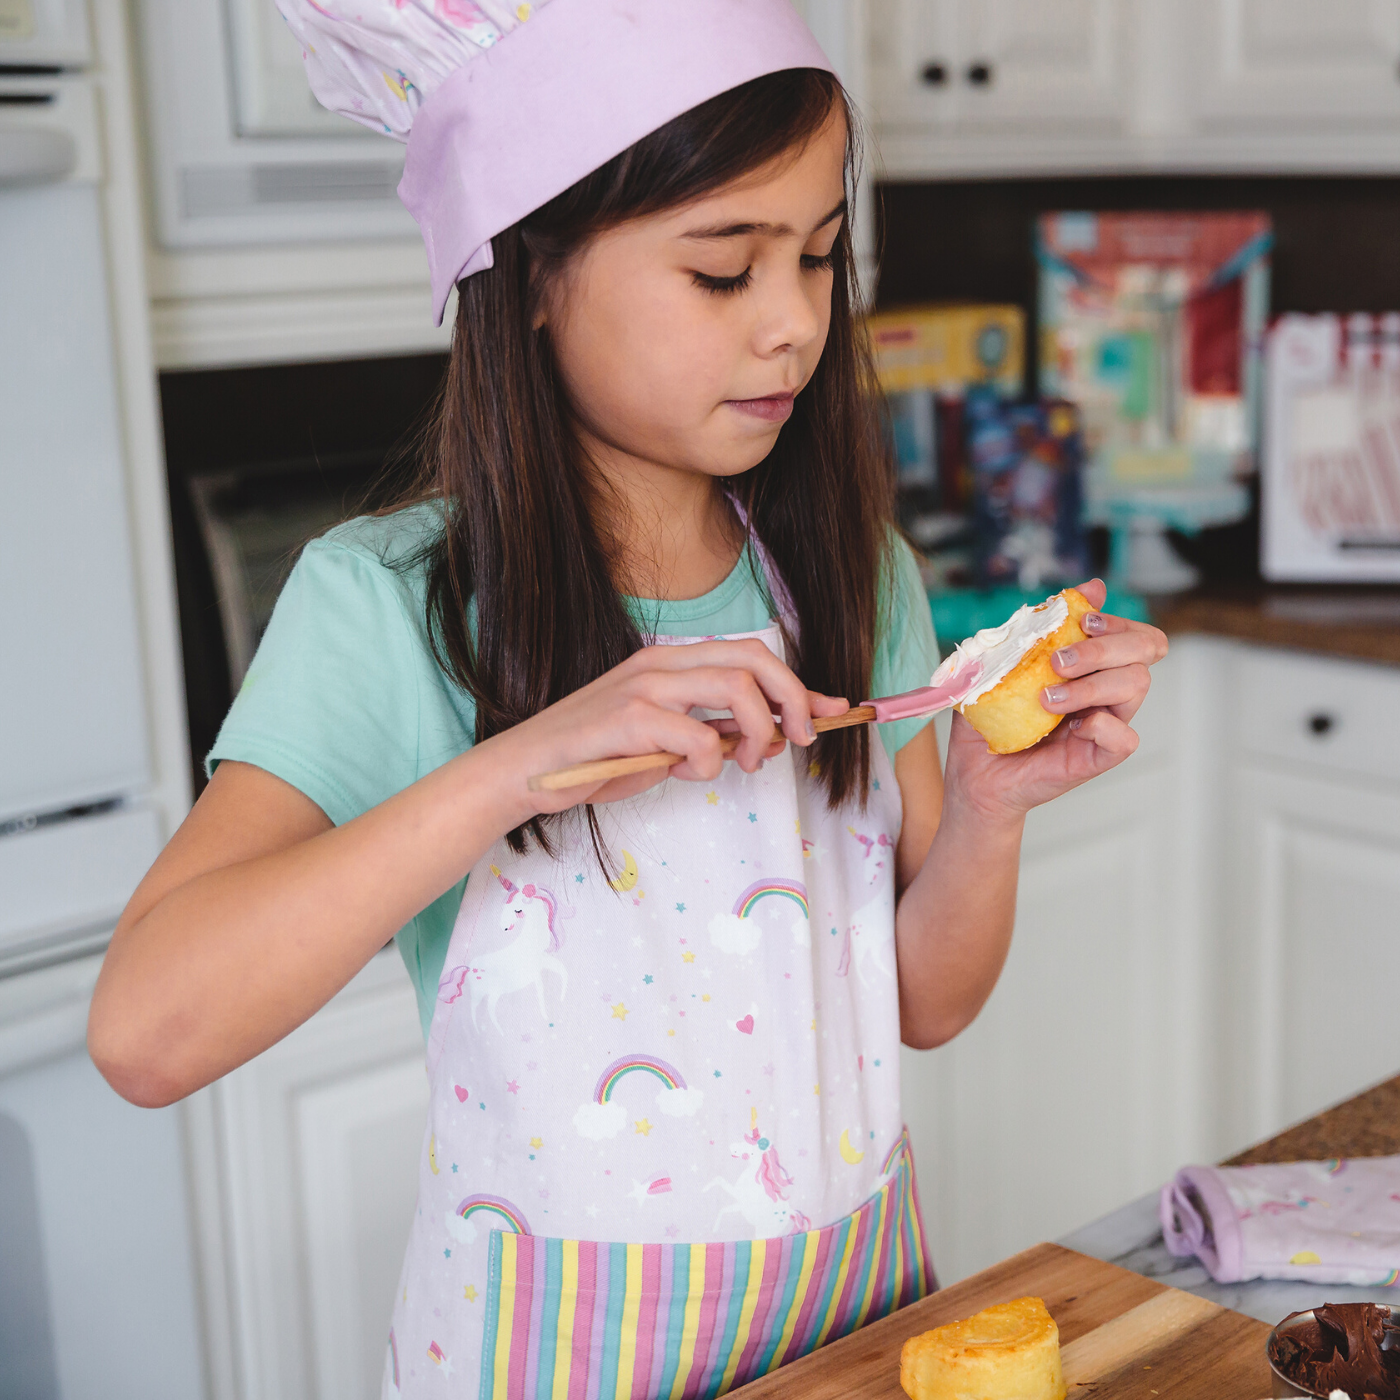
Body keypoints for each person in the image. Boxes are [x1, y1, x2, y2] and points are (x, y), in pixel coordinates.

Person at [88, 2, 1168, 1395]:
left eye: (820, 257)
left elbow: (920, 999)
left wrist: (994, 808)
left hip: (860, 1332)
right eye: (723, 272)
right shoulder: (393, 608)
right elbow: (146, 1035)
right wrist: (513, 767)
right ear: (532, 270)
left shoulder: (853, 571)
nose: (794, 324)